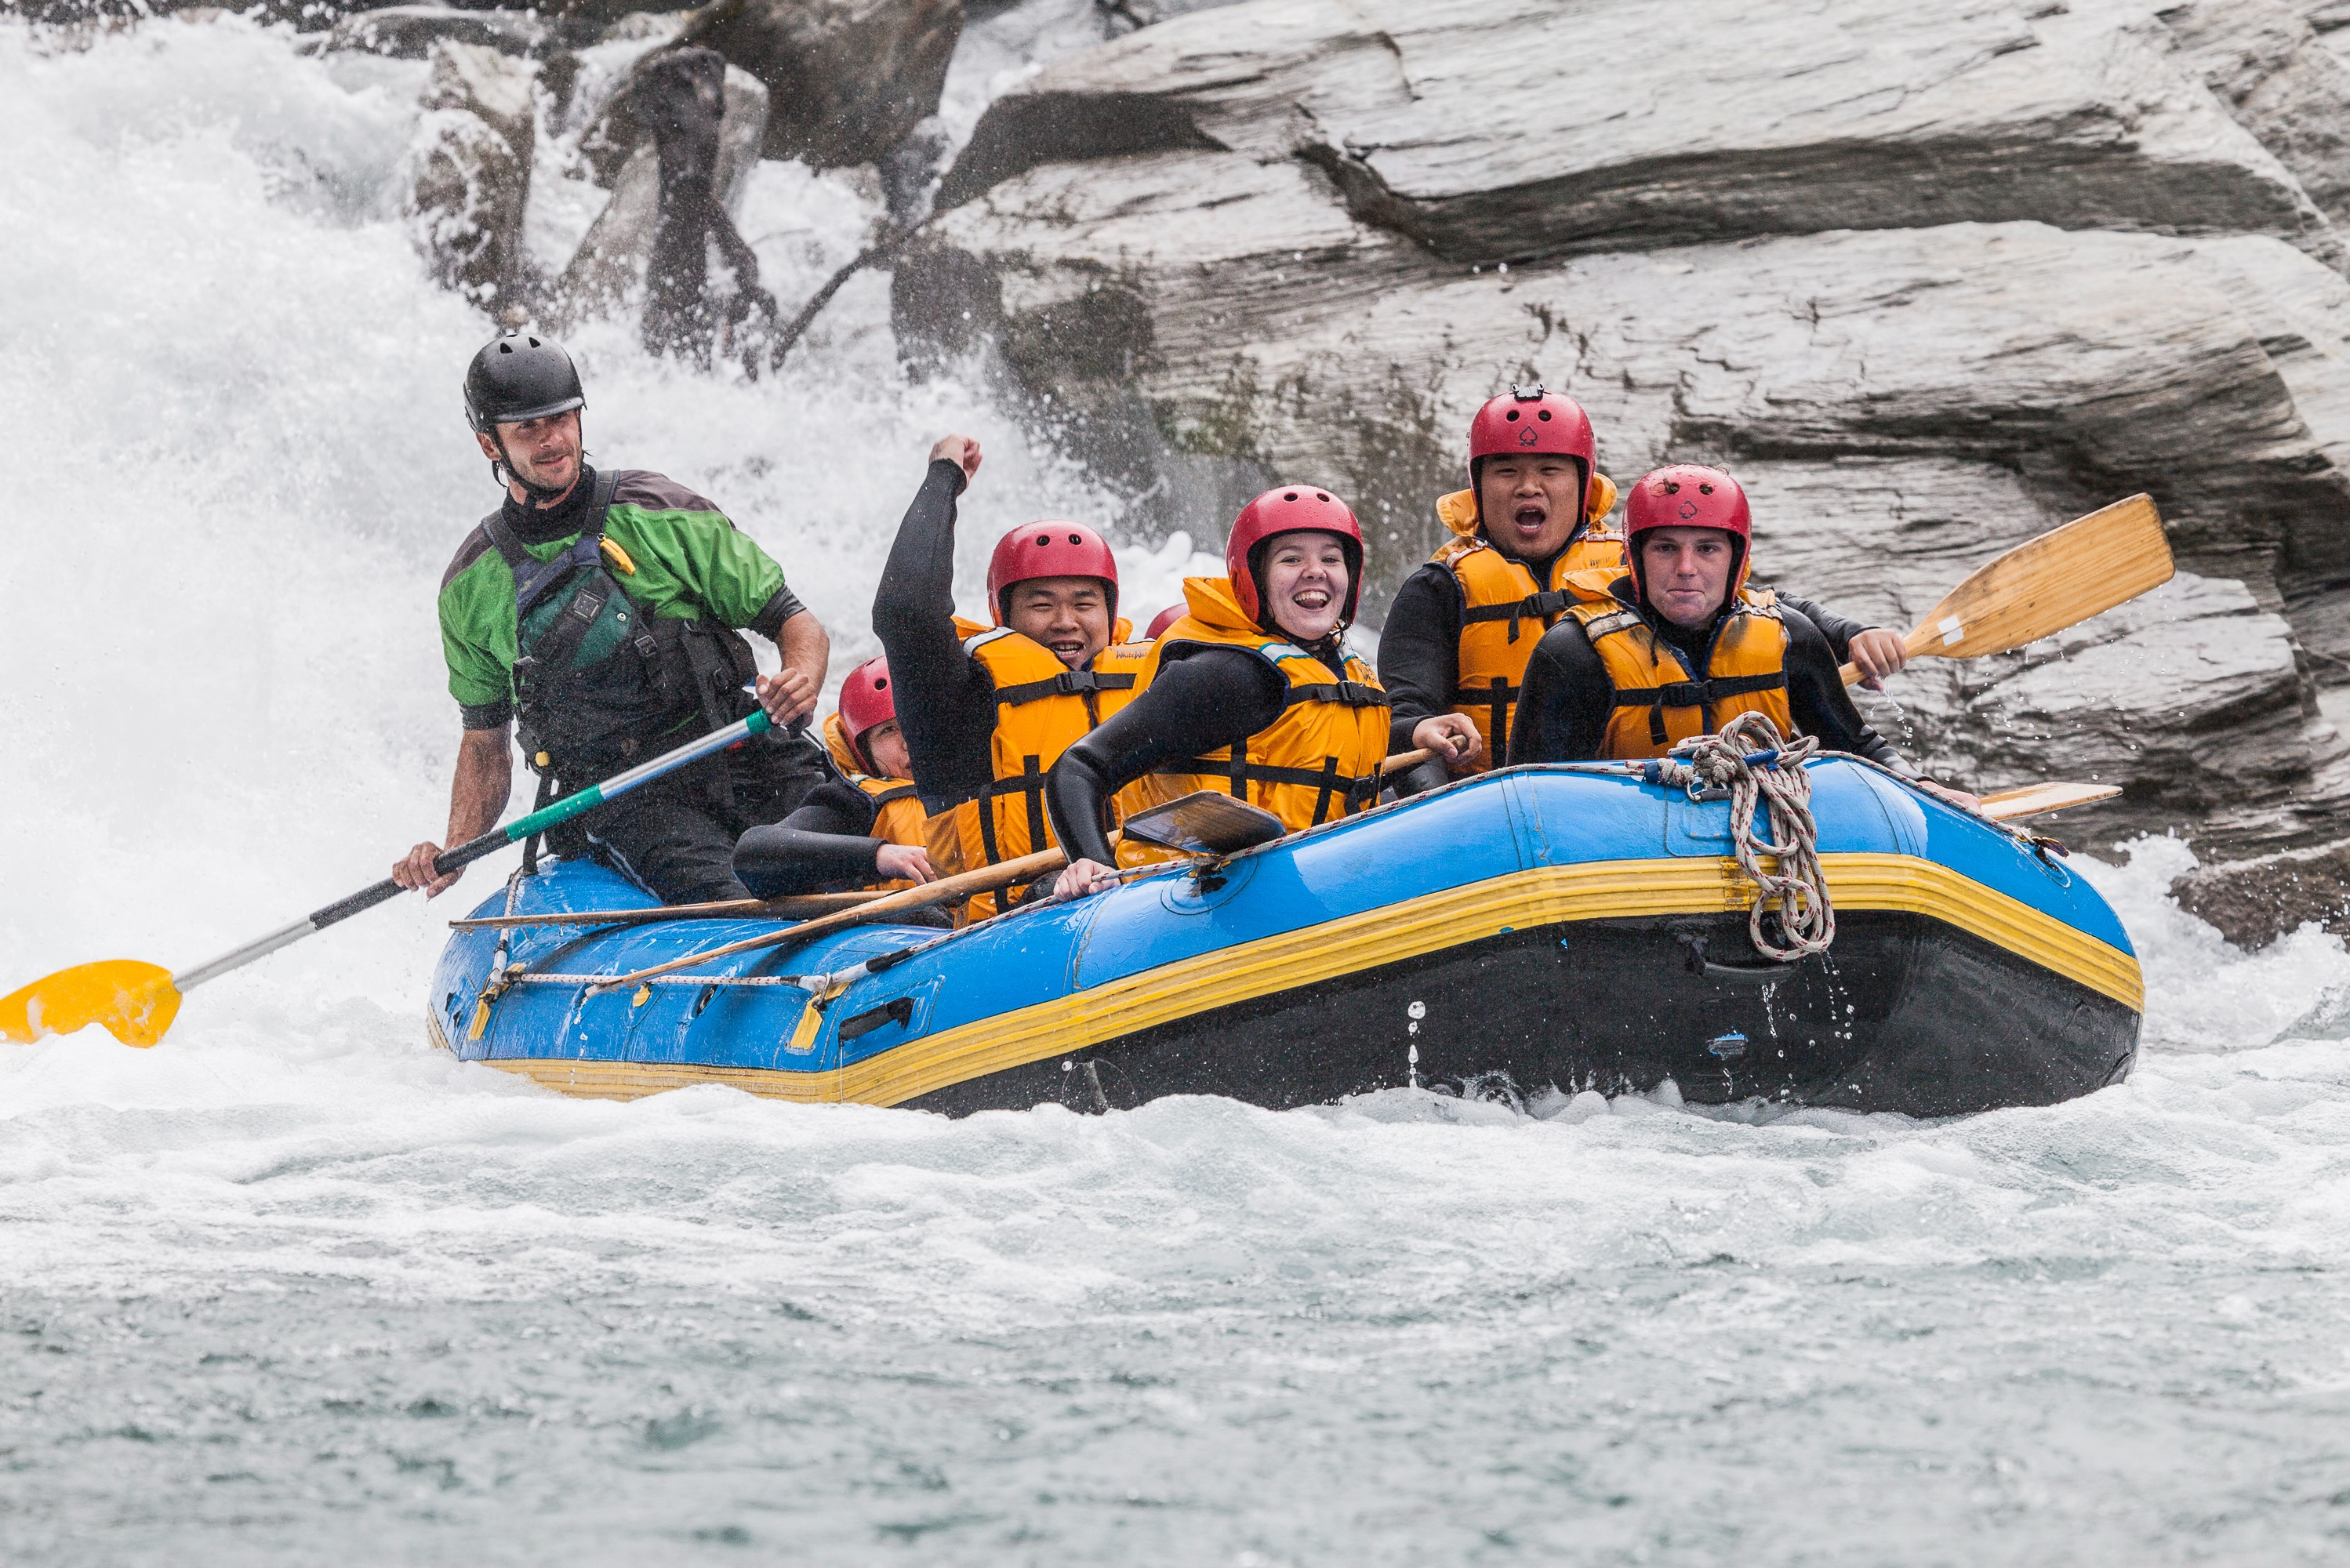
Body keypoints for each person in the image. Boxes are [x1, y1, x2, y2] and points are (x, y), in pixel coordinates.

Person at [394, 331, 830, 906]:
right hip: (629, 800)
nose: (551, 440)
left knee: (859, 857)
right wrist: (453, 848)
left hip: (744, 749)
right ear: (489, 445)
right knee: (731, 901)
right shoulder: (471, 587)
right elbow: (484, 742)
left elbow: (795, 624)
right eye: (527, 428)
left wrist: (800, 677)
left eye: (561, 419)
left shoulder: (662, 511)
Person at [1378, 384, 1910, 788]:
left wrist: (1847, 634)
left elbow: (1755, 607)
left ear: (1583, 482)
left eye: (1549, 469)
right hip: (1490, 793)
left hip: (1649, 783)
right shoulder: (1438, 590)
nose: (1528, 487)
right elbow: (1401, 720)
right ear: (1477, 483)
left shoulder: (1640, 559)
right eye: (1505, 472)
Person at [1045, 485, 1483, 900]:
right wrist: (1092, 864)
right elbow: (1080, 767)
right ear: (1252, 579)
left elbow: (1311, 751)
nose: (1315, 571)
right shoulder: (1226, 675)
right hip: (1196, 898)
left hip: (1301, 888)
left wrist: (1416, 732)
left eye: (1331, 558)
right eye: (1291, 560)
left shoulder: (1343, 673)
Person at [1506, 464, 1972, 806]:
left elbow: (1859, 747)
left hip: (1762, 841)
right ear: (1636, 558)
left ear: (1736, 561)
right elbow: (1528, 796)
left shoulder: (1788, 637)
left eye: (1707, 549)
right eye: (1666, 548)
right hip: (1626, 850)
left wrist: (1922, 789)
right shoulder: (1572, 655)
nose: (1686, 569)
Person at [870, 434, 1153, 918]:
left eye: (1085, 603)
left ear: (1111, 611)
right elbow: (906, 610)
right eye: (1041, 605)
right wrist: (944, 479)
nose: (1066, 621)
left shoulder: (1152, 680)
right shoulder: (961, 699)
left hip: (1146, 907)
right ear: (1003, 614)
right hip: (1009, 928)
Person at [732, 656, 937, 899]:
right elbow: (752, 853)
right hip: (915, 927)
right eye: (888, 730)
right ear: (863, 750)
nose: (909, 741)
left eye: (915, 720)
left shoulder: (979, 778)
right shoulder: (852, 802)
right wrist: (878, 856)